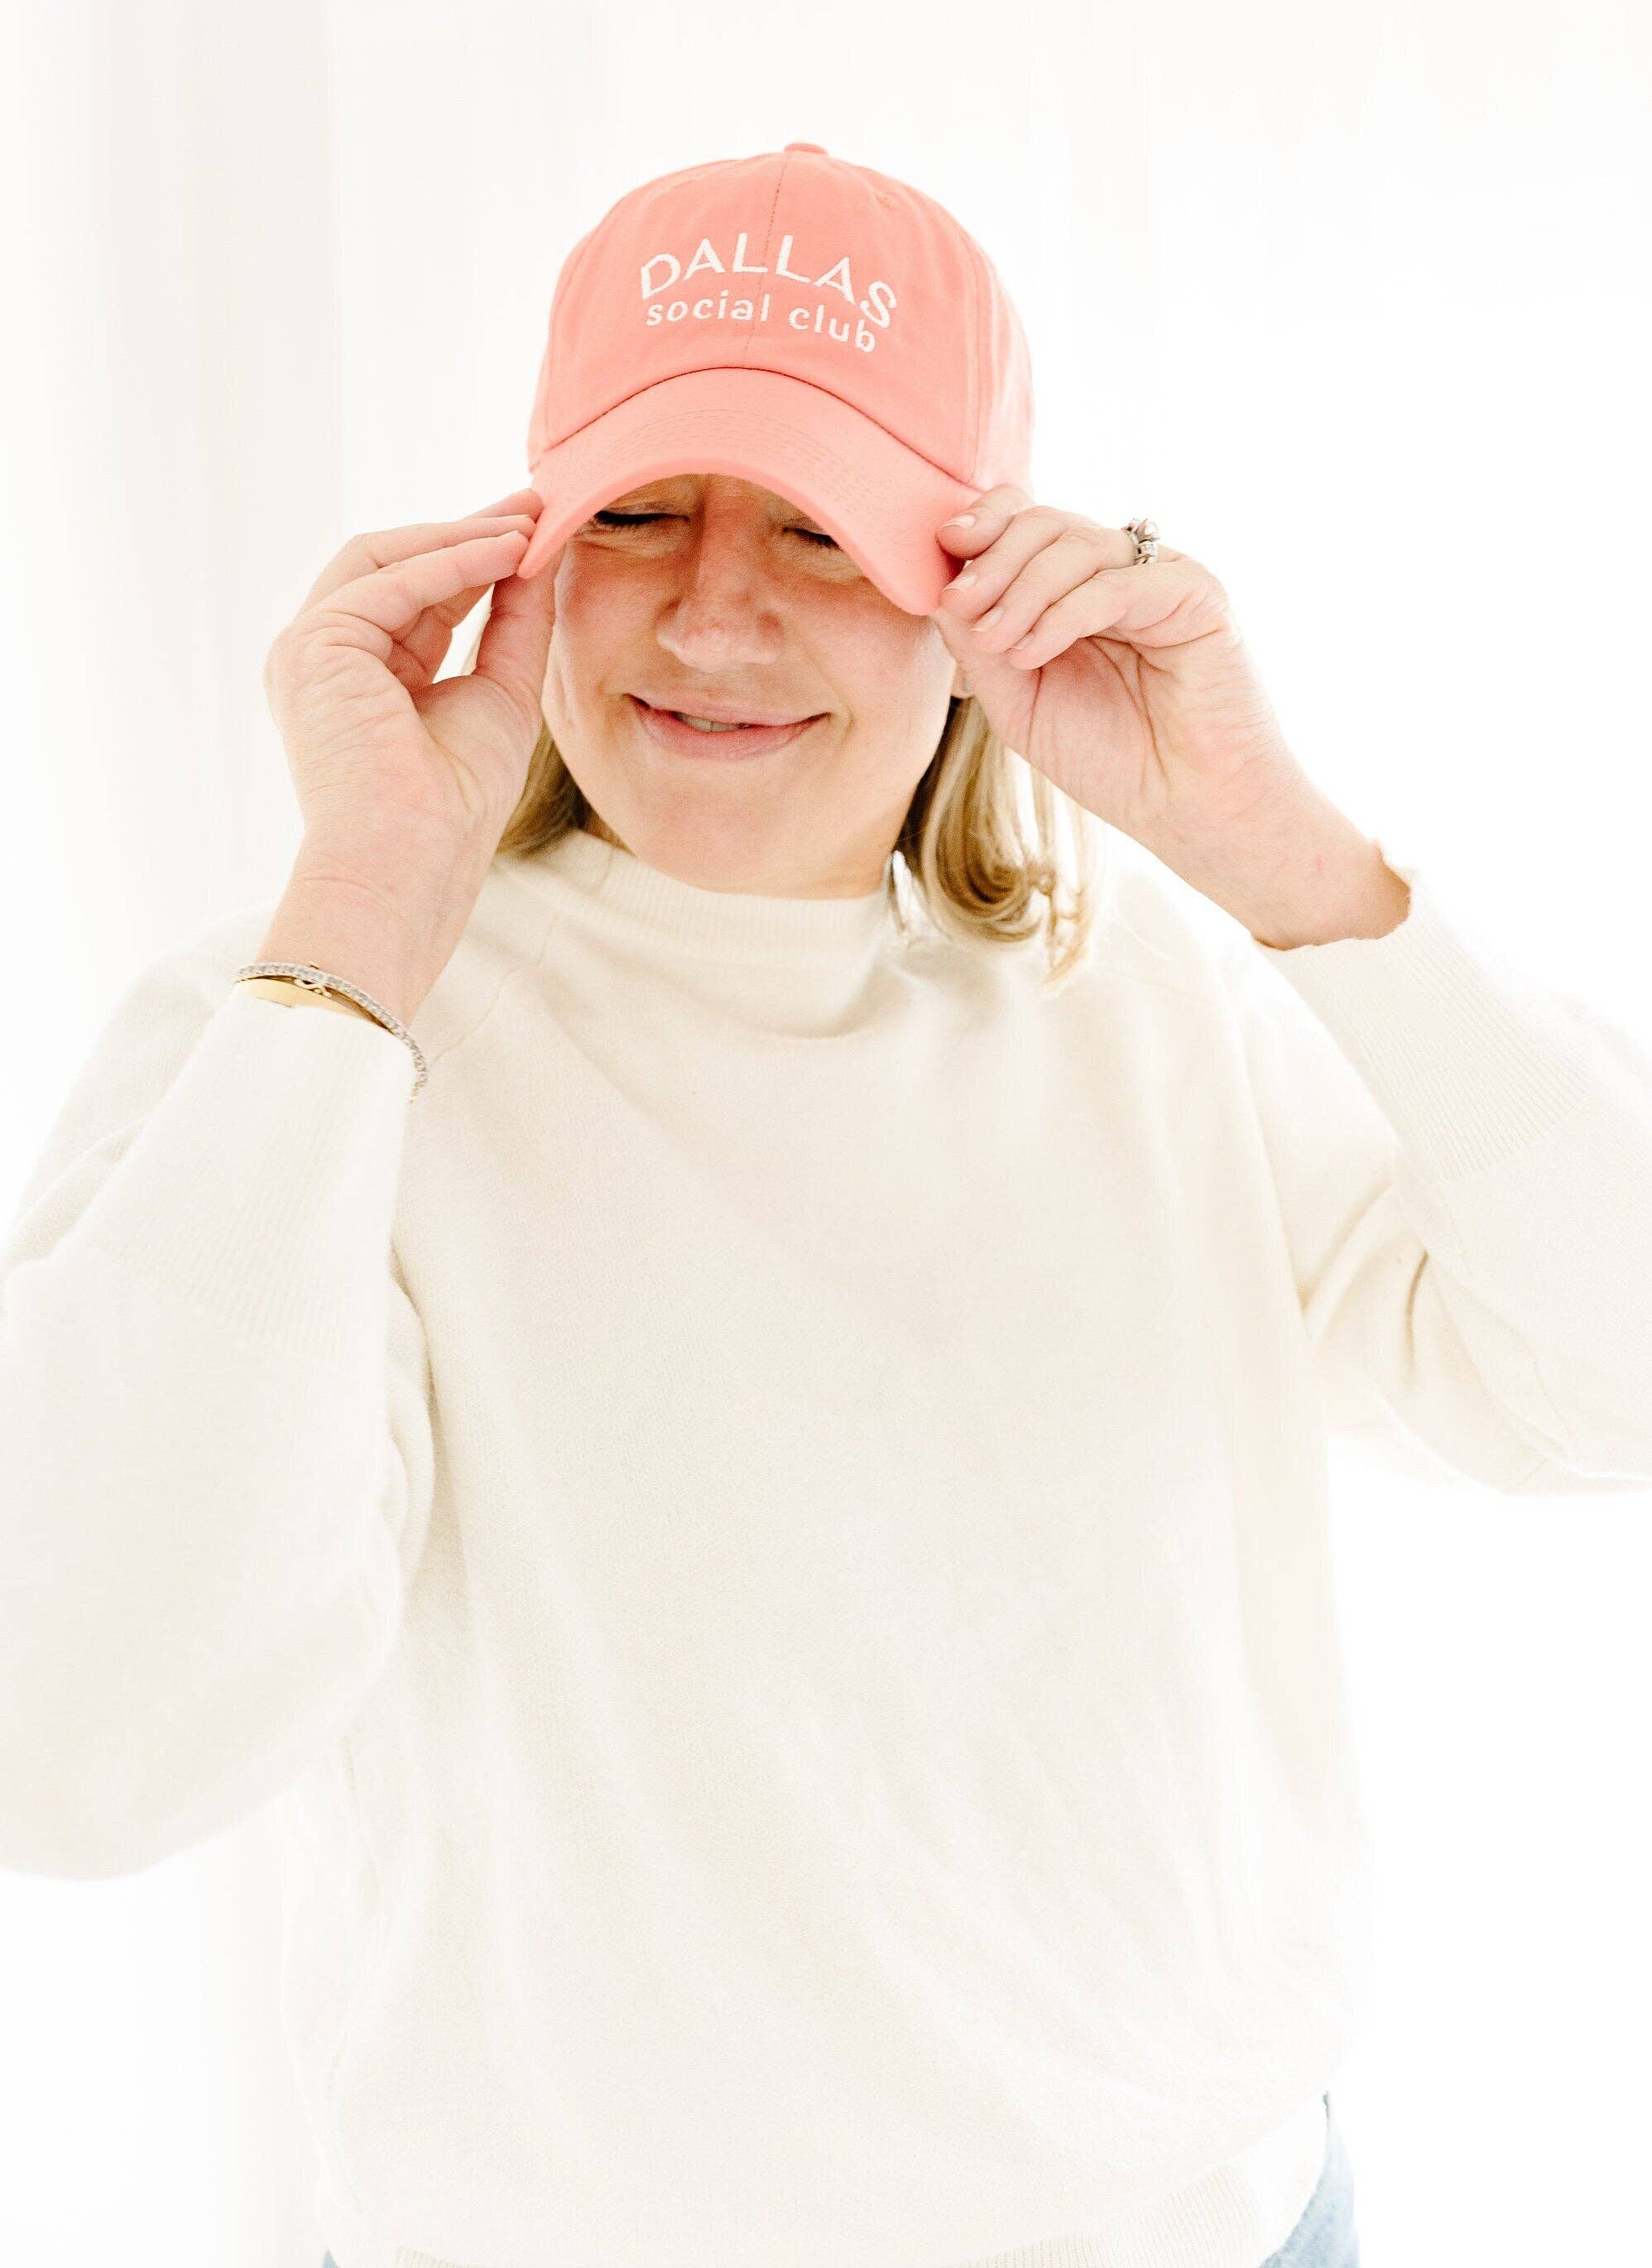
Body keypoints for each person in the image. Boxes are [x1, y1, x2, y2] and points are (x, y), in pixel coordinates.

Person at [2, 143, 1649, 2268]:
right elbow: (76, 1744)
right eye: (637, 515)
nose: (712, 614)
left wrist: (1281, 856)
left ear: (978, 588)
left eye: (818, 529)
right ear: (526, 549)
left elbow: (1609, 1379)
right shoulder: (301, 1044)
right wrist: (357, 934)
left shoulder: (1144, 997)